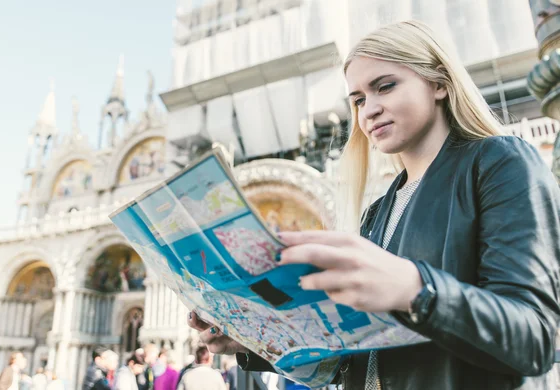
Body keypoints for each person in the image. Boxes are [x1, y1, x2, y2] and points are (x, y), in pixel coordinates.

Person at [186, 20, 560, 390]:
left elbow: (534, 337)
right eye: (359, 100)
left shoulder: (500, 163)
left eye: (385, 87)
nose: (369, 110)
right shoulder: (377, 212)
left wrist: (416, 289)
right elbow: (352, 362)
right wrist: (255, 339)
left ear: (440, 84)